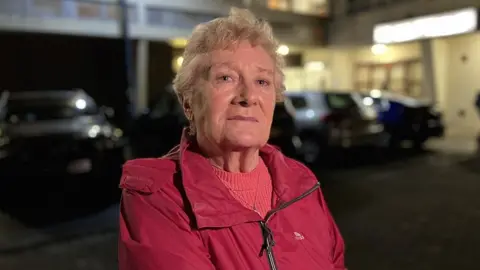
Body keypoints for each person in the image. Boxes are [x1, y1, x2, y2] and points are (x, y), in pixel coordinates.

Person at [119, 8, 345, 270]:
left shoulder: (301, 183)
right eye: (226, 78)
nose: (248, 96)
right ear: (189, 102)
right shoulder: (157, 195)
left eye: (262, 81)